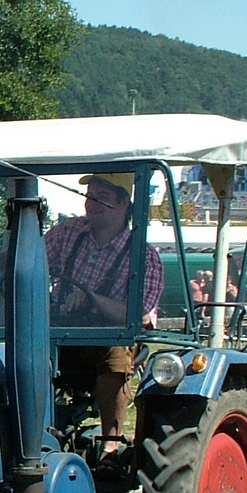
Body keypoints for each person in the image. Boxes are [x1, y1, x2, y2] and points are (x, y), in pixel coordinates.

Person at [44, 172, 163, 463]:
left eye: (102, 198)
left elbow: (139, 315)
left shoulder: (144, 257)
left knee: (116, 352)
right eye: (89, 197)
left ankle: (110, 444)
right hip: (60, 334)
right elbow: (27, 257)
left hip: (106, 340)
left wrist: (91, 298)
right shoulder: (70, 233)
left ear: (124, 204)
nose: (91, 204)